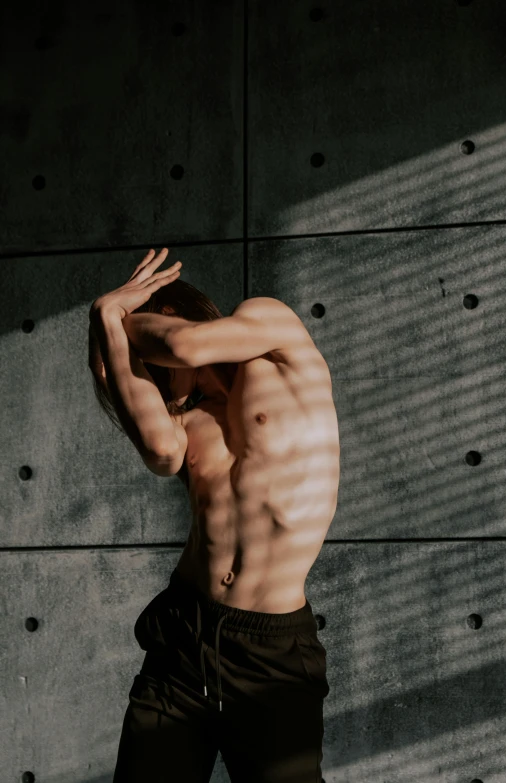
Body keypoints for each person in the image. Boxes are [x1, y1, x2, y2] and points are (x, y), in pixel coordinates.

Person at [89, 248, 340, 782]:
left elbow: (183, 343)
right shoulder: (186, 420)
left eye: (151, 350)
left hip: (270, 650)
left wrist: (124, 318)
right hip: (183, 635)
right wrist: (107, 319)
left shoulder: (274, 330)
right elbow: (159, 450)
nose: (159, 371)